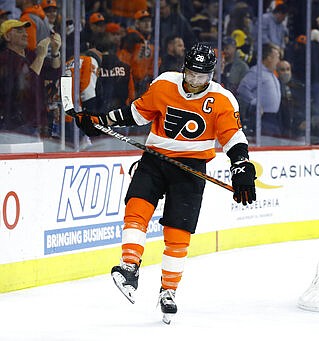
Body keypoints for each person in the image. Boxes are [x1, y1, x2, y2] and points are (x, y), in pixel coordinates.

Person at [71, 42, 256, 324]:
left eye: (202, 76)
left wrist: (241, 165)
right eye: (191, 73)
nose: (195, 81)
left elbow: (233, 137)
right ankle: (129, 266)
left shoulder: (222, 99)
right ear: (184, 69)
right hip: (155, 158)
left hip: (190, 168)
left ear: (211, 75)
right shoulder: (164, 84)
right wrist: (99, 120)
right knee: (136, 205)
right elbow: (136, 113)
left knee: (178, 230)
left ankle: (168, 291)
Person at [0, 19, 61, 140]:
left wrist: (55, 52)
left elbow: (54, 72)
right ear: (7, 36)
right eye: (19, 31)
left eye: (25, 31)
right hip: (17, 124)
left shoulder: (30, 54)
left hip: (39, 120)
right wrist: (40, 57)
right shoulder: (4, 59)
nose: (26, 34)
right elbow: (26, 83)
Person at [237, 43, 281, 136]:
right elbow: (243, 88)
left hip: (274, 118)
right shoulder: (257, 71)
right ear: (269, 58)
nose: (279, 60)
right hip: (263, 118)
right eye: (277, 57)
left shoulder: (271, 74)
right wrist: (255, 102)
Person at [118, 9, 155, 97]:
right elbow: (124, 61)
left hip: (143, 83)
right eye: (143, 22)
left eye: (148, 21)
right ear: (137, 24)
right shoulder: (131, 38)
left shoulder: (148, 41)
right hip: (131, 83)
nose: (147, 24)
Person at [275, 59, 305, 138]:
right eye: (282, 70)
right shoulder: (275, 87)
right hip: (282, 128)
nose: (286, 72)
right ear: (277, 71)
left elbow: (303, 106)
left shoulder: (299, 87)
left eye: (288, 69)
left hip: (299, 128)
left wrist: (302, 121)